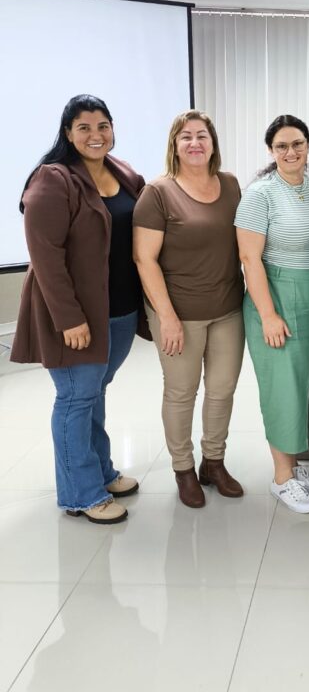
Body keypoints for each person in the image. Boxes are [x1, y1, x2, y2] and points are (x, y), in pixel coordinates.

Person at [12, 95, 145, 524]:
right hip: (77, 316)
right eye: (84, 127)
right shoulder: (53, 179)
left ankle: (100, 472)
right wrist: (69, 319)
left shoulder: (121, 172)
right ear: (68, 133)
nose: (95, 135)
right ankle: (81, 495)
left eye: (103, 125)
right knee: (75, 398)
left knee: (93, 393)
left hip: (118, 310)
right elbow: (45, 257)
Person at [133, 110, 245, 508]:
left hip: (228, 309)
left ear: (213, 143)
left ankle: (213, 463)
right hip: (178, 314)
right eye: (186, 137)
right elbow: (144, 259)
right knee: (182, 392)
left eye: (202, 136)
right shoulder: (157, 193)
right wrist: (166, 318)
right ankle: (183, 469)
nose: (195, 143)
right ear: (175, 146)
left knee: (222, 389)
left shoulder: (230, 185)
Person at [236, 115, 309, 514]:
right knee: (283, 389)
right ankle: (281, 478)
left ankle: (293, 466)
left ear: (308, 145)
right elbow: (249, 258)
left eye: (297, 144)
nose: (291, 152)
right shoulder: (259, 194)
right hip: (275, 294)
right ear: (271, 150)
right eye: (281, 146)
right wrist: (269, 315)